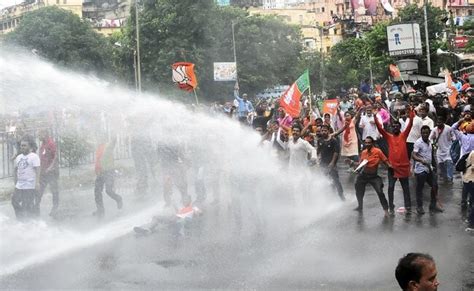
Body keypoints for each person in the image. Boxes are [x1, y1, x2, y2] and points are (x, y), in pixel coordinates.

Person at [375, 109, 415, 215]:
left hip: (403, 167)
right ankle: (391, 207)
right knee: (390, 188)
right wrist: (375, 117)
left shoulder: (404, 135)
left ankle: (408, 206)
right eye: (394, 126)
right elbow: (380, 129)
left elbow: (410, 124)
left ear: (400, 128)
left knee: (405, 188)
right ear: (392, 128)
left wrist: (411, 113)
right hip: (392, 167)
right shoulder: (389, 137)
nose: (395, 127)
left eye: (397, 126)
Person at [348, 136, 392, 216]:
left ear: (372, 143)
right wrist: (351, 163)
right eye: (366, 142)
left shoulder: (378, 151)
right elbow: (360, 164)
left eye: (369, 142)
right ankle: (360, 206)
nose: (367, 144)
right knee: (359, 191)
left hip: (374, 176)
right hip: (363, 175)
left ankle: (386, 210)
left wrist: (390, 166)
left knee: (380, 192)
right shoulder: (364, 152)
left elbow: (385, 161)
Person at [412, 126, 443, 215]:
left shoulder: (430, 142)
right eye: (423, 133)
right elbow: (413, 155)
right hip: (421, 170)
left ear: (429, 133)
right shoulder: (418, 142)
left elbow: (432, 154)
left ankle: (433, 206)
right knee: (419, 189)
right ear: (421, 133)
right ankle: (419, 207)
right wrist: (421, 160)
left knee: (435, 186)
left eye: (426, 133)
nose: (425, 134)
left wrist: (435, 166)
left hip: (429, 169)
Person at [93, 136, 123, 217]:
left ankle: (118, 199)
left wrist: (115, 132)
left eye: (99, 138)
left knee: (108, 190)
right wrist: (96, 170)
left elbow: (113, 142)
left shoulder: (107, 146)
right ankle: (100, 210)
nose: (97, 140)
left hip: (109, 172)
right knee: (97, 191)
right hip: (100, 173)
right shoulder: (99, 148)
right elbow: (98, 161)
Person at [12, 138, 40, 220]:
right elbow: (15, 170)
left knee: (27, 204)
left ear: (30, 146)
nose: (22, 147)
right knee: (14, 201)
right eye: (21, 145)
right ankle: (20, 218)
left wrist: (37, 183)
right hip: (19, 185)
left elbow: (38, 170)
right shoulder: (19, 157)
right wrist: (15, 183)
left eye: (24, 145)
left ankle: (31, 222)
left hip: (29, 185)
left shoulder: (34, 156)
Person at [317, 124, 345, 201]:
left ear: (328, 131)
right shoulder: (320, 140)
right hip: (323, 163)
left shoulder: (333, 140)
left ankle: (341, 196)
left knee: (336, 180)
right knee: (325, 179)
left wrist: (332, 163)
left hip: (332, 164)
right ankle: (330, 195)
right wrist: (317, 159)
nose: (323, 132)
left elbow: (336, 153)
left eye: (325, 130)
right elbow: (318, 151)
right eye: (322, 131)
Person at [36, 129, 60, 217]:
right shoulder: (43, 145)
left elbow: (55, 157)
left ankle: (55, 208)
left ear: (45, 134)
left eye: (39, 135)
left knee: (54, 190)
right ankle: (36, 207)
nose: (38, 137)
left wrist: (50, 167)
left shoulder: (51, 143)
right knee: (39, 191)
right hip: (43, 173)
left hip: (51, 173)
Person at [429, 116, 455, 184]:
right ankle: (445, 178)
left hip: (448, 149)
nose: (438, 124)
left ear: (443, 122)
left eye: (440, 122)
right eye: (437, 122)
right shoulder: (435, 129)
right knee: (441, 165)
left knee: (449, 164)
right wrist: (433, 144)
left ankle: (450, 178)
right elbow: (430, 138)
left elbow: (453, 136)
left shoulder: (448, 128)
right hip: (439, 150)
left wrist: (453, 141)